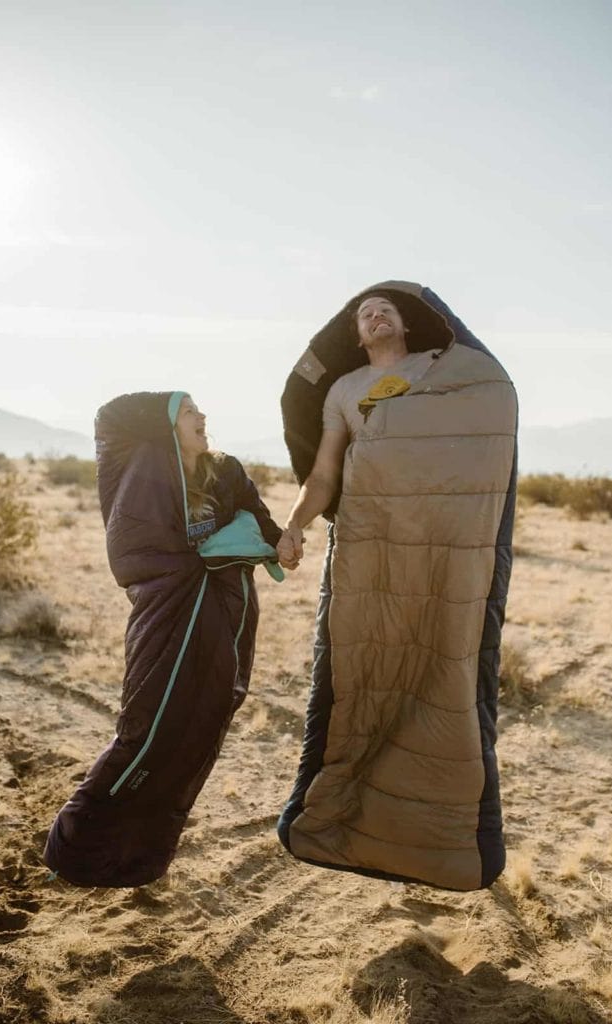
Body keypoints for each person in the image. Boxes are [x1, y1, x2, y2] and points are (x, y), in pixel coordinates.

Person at [277, 282, 518, 892]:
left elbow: (488, 417)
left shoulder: (447, 373)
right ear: (356, 336)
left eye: (385, 308)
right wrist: (295, 524)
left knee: (444, 671)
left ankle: (444, 837)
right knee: (365, 674)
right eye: (363, 313)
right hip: (373, 547)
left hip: (443, 553)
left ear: (407, 325)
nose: (374, 313)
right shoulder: (344, 390)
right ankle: (351, 820)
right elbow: (325, 473)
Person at [44, 390, 291, 888]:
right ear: (163, 426)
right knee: (148, 728)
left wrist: (282, 540)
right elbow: (108, 416)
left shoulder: (225, 472)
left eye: (202, 410)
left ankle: (140, 859)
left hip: (222, 617)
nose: (203, 417)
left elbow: (263, 523)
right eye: (188, 411)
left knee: (196, 731)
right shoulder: (141, 471)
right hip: (165, 617)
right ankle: (74, 849)